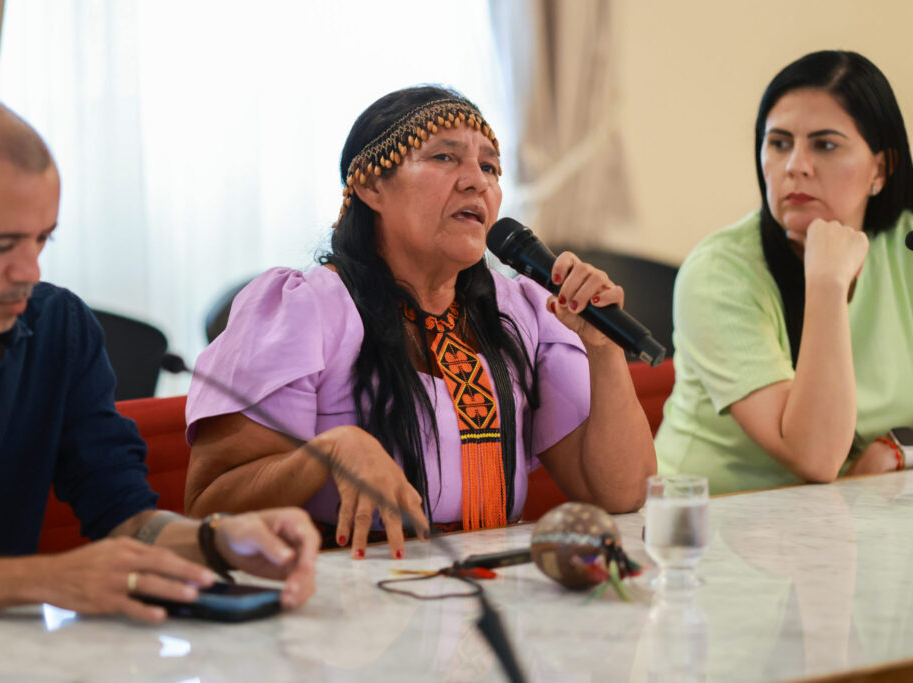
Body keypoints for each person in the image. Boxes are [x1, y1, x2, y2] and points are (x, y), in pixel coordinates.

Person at [0, 93, 319, 619]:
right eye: (1, 246)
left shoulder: (58, 328)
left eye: (42, 239)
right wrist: (42, 578)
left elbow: (126, 519)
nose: (30, 272)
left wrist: (219, 540)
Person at [185, 85, 657, 560]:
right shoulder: (304, 309)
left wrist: (603, 348)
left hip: (494, 587)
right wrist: (327, 454)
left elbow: (621, 494)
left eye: (489, 167)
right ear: (371, 186)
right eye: (444, 157)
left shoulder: (525, 311)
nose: (476, 182)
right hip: (349, 588)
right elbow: (207, 507)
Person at [655, 50, 913, 495]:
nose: (795, 165)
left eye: (825, 145)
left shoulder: (904, 244)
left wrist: (900, 446)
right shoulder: (718, 273)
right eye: (779, 143)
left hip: (849, 519)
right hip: (705, 522)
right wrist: (827, 282)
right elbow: (815, 456)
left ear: (881, 168)